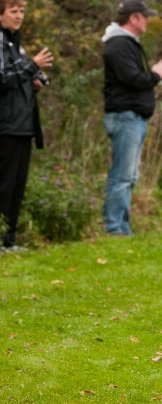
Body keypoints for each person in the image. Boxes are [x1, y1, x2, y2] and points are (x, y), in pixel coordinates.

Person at [102, 0, 162, 235]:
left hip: (133, 118)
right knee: (122, 176)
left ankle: (122, 226)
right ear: (134, 18)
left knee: (129, 176)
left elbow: (134, 76)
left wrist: (152, 72)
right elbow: (132, 79)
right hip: (125, 117)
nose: (148, 20)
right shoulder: (119, 44)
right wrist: (155, 74)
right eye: (145, 16)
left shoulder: (127, 44)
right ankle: (115, 227)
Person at [0, 0, 52, 250]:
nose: (19, 16)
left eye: (22, 11)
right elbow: (2, 79)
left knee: (17, 187)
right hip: (5, 126)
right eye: (13, 11)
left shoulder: (15, 42)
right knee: (4, 185)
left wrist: (35, 79)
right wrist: (31, 66)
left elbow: (17, 76)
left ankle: (9, 241)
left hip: (23, 124)